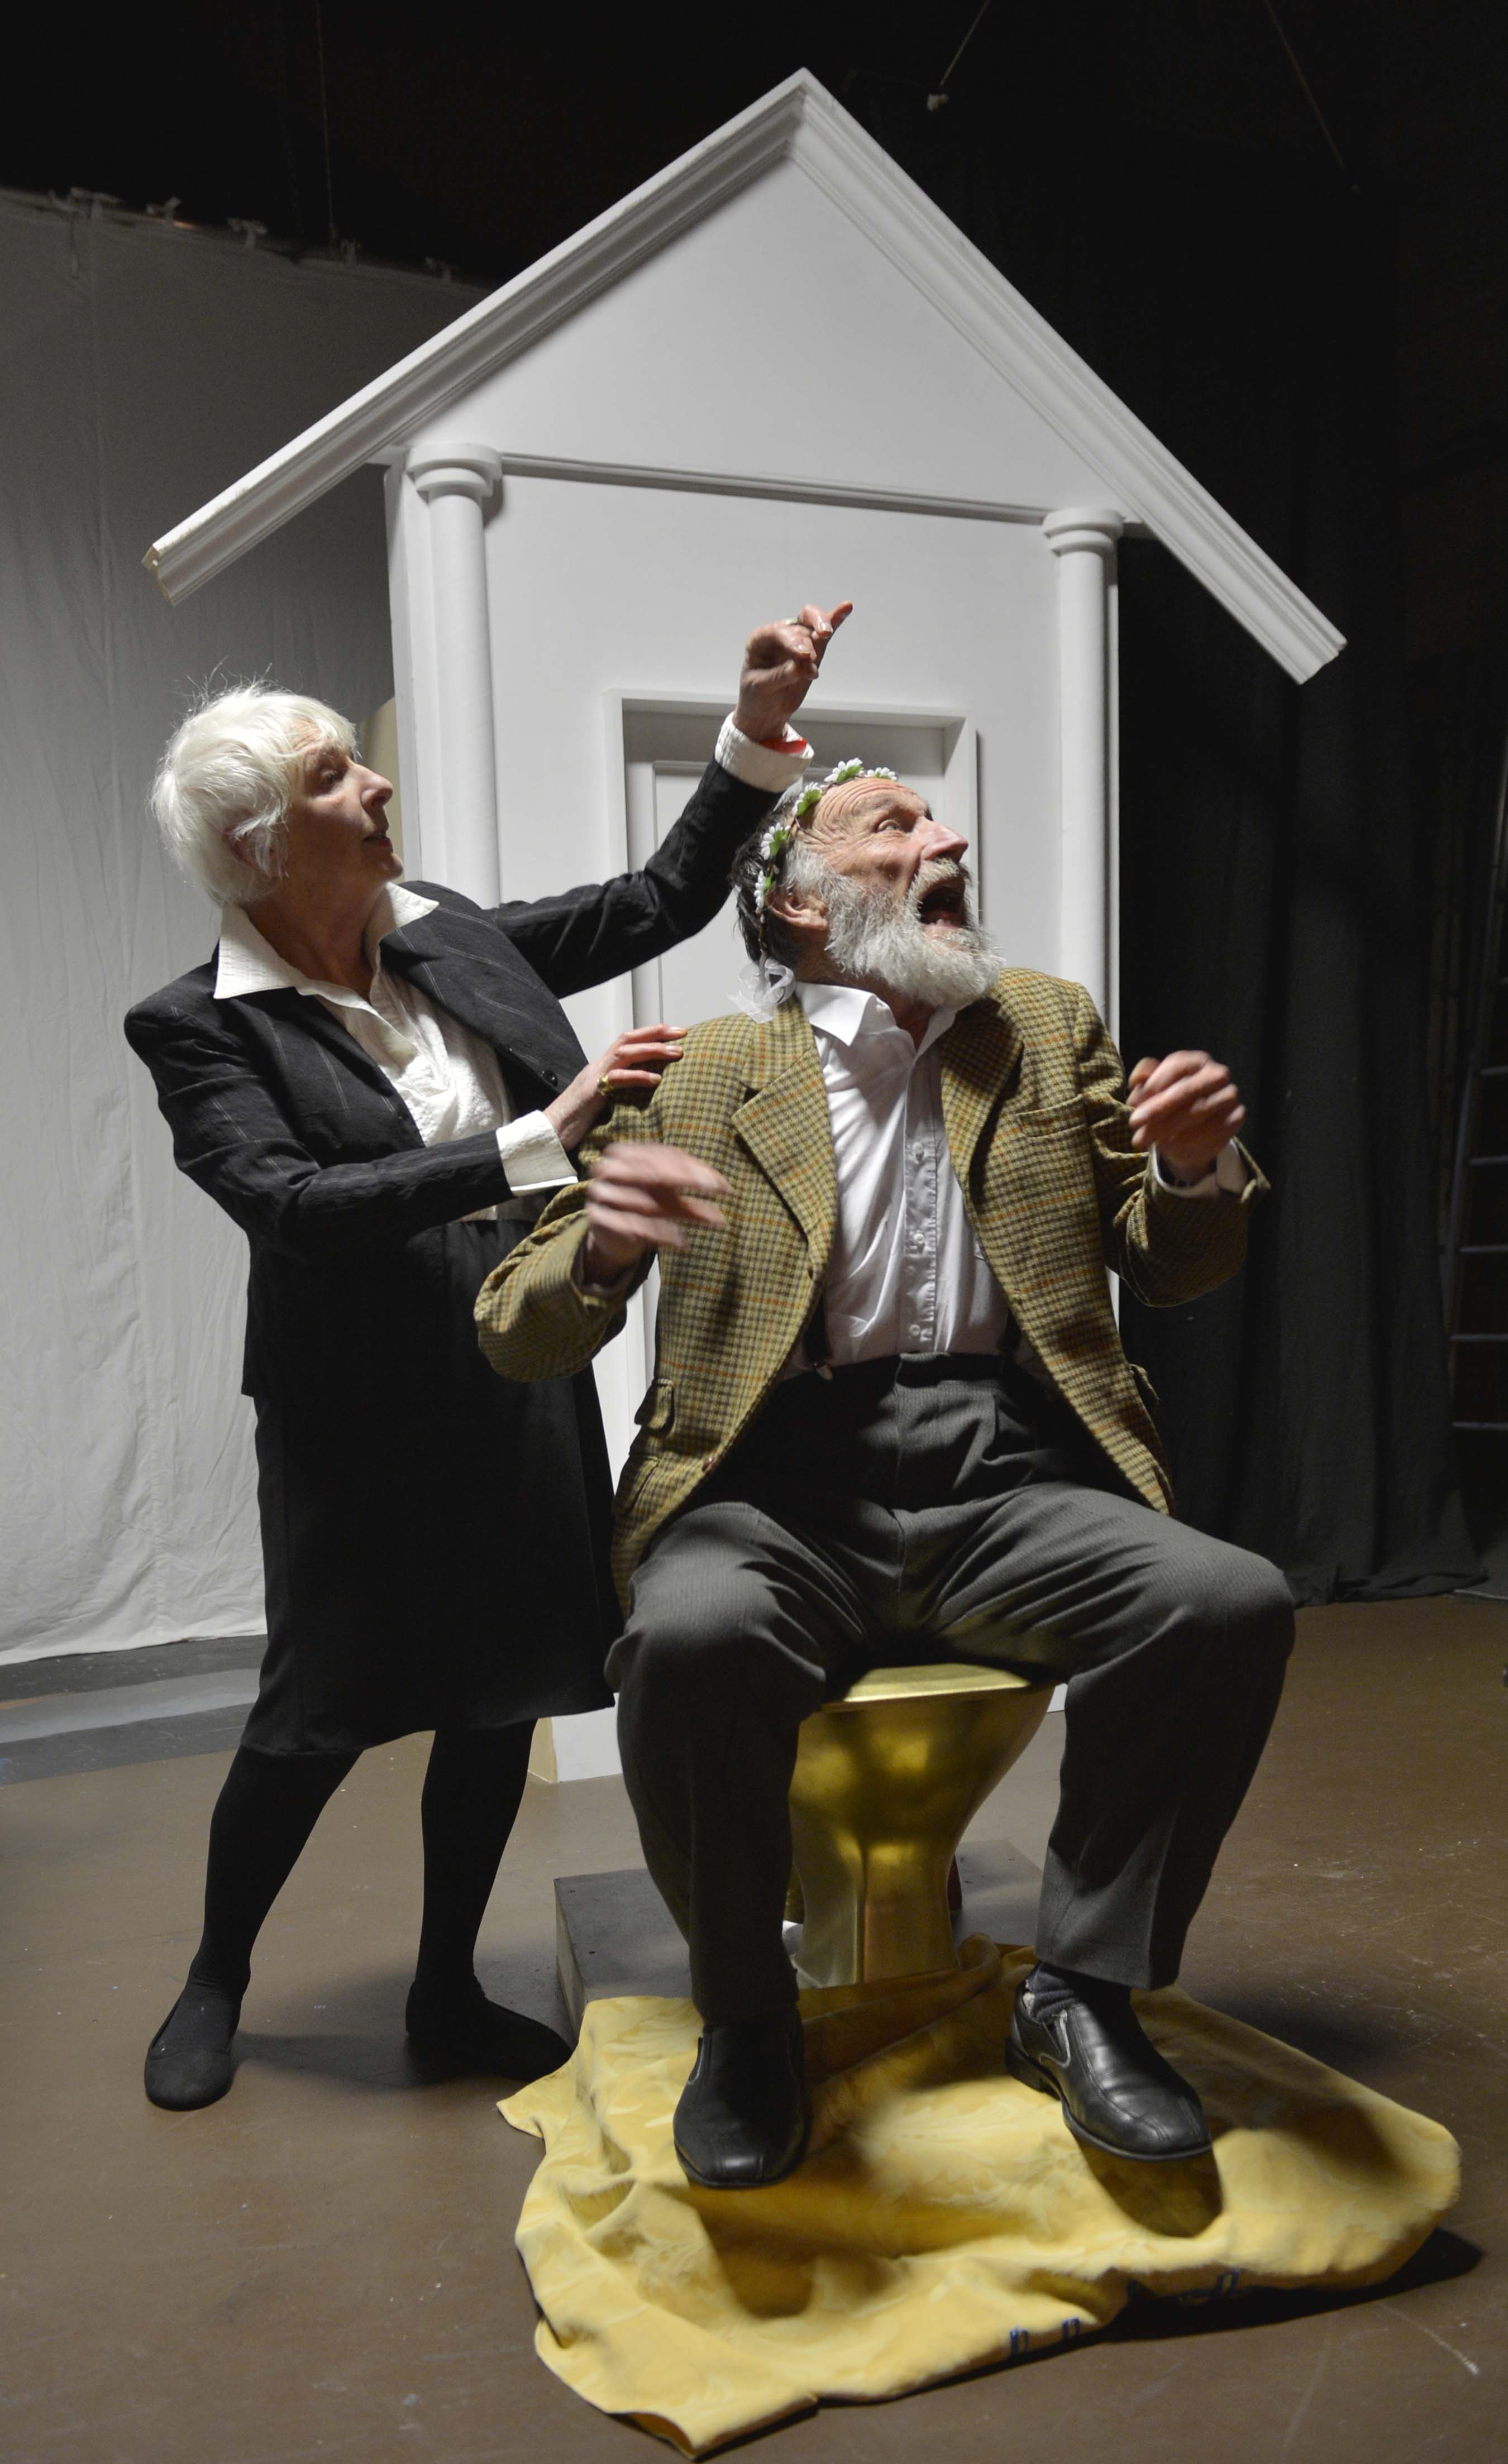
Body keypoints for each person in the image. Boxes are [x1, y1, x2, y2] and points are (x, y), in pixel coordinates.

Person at [475, 756, 1296, 2190]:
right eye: (895, 825)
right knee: (692, 1632)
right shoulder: (710, 1069)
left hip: (1008, 1478)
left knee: (1223, 1600)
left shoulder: (1045, 1027)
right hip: (772, 1486)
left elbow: (1173, 1265)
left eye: (941, 818)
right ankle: (746, 2011)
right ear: (799, 907)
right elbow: (516, 1328)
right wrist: (603, 1242)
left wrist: (1193, 1173)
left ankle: (1085, 1991)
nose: (947, 836)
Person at [126, 601, 849, 2112]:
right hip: (353, 1405)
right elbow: (294, 1207)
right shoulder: (198, 1027)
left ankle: (446, 1982)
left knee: (498, 1688)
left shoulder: (441, 926)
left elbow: (654, 899)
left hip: (519, 1360)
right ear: (263, 846)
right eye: (335, 777)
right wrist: (542, 1135)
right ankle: (216, 1972)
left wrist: (753, 726)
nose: (376, 786)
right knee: (312, 1707)